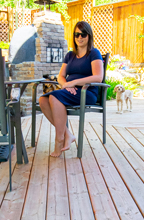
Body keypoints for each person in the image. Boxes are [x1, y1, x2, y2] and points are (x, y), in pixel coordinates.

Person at [39, 21, 104, 157]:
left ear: (89, 36)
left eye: (83, 34)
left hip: (87, 91)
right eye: (77, 34)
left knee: (54, 97)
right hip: (70, 91)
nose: (80, 37)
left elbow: (98, 77)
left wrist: (73, 83)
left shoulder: (94, 53)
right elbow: (61, 76)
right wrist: (66, 85)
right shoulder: (70, 55)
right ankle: (68, 135)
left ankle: (59, 140)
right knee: (43, 100)